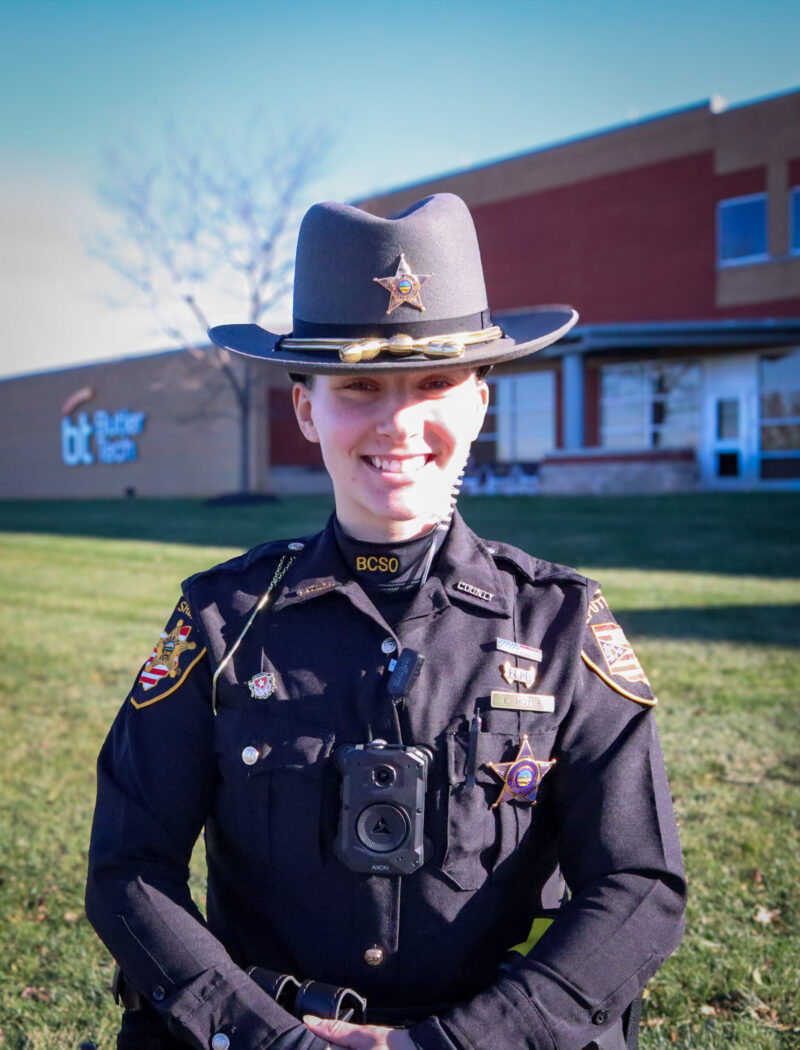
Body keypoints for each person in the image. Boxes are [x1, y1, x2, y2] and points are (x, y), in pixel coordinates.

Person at [86, 193, 686, 1050]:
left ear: (480, 402)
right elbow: (128, 870)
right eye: (358, 385)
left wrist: (449, 1046)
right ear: (306, 411)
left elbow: (638, 883)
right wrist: (267, 1040)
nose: (397, 422)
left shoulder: (560, 627)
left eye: (435, 382)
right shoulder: (222, 623)